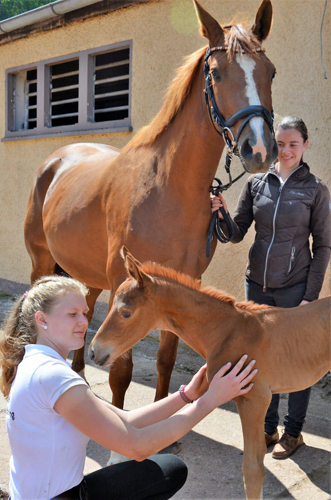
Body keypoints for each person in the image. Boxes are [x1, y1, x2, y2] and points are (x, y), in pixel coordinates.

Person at [0, 275, 257, 500]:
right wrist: (211, 400)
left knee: (169, 470)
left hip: (43, 494)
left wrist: (186, 395)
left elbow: (126, 420)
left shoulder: (33, 363)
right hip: (62, 497)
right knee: (163, 470)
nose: (84, 322)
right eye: (72, 314)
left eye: (84, 312)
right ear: (41, 319)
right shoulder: (53, 375)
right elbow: (136, 446)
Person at [211, 116, 331, 459]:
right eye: (280, 144)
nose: (287, 150)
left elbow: (324, 246)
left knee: (297, 359)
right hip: (257, 286)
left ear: (305, 145)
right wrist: (221, 213)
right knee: (260, 358)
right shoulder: (256, 183)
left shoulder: (315, 189)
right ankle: (268, 427)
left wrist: (311, 295)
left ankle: (293, 433)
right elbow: (237, 232)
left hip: (296, 288)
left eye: (294, 144)